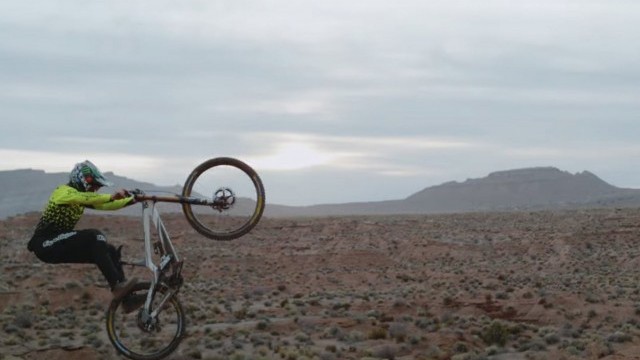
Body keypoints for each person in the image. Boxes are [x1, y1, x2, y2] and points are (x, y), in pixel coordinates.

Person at [28, 160, 140, 310]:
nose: (95, 190)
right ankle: (117, 286)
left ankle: (127, 300)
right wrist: (112, 196)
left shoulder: (83, 197)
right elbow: (84, 198)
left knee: (110, 251)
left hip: (60, 243)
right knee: (94, 236)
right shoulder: (63, 192)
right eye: (93, 185)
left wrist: (132, 199)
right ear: (81, 180)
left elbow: (107, 205)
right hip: (45, 244)